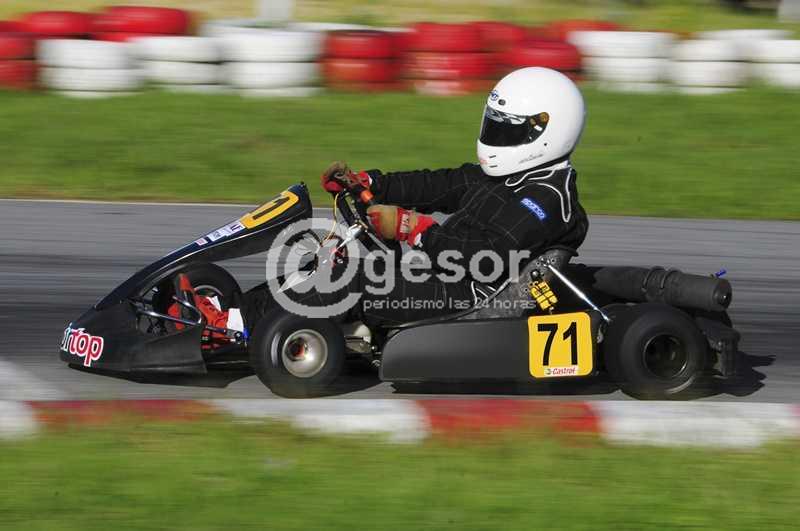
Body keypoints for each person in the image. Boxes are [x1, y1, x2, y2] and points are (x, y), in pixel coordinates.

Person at [252, 67, 590, 327]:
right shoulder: (508, 175)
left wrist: (413, 229)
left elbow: (488, 258)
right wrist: (372, 183)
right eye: (494, 125)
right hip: (441, 276)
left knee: (348, 281)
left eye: (508, 129)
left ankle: (260, 331)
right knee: (329, 265)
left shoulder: (546, 200)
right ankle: (239, 312)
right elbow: (439, 185)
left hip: (471, 298)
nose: (496, 136)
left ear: (548, 132)